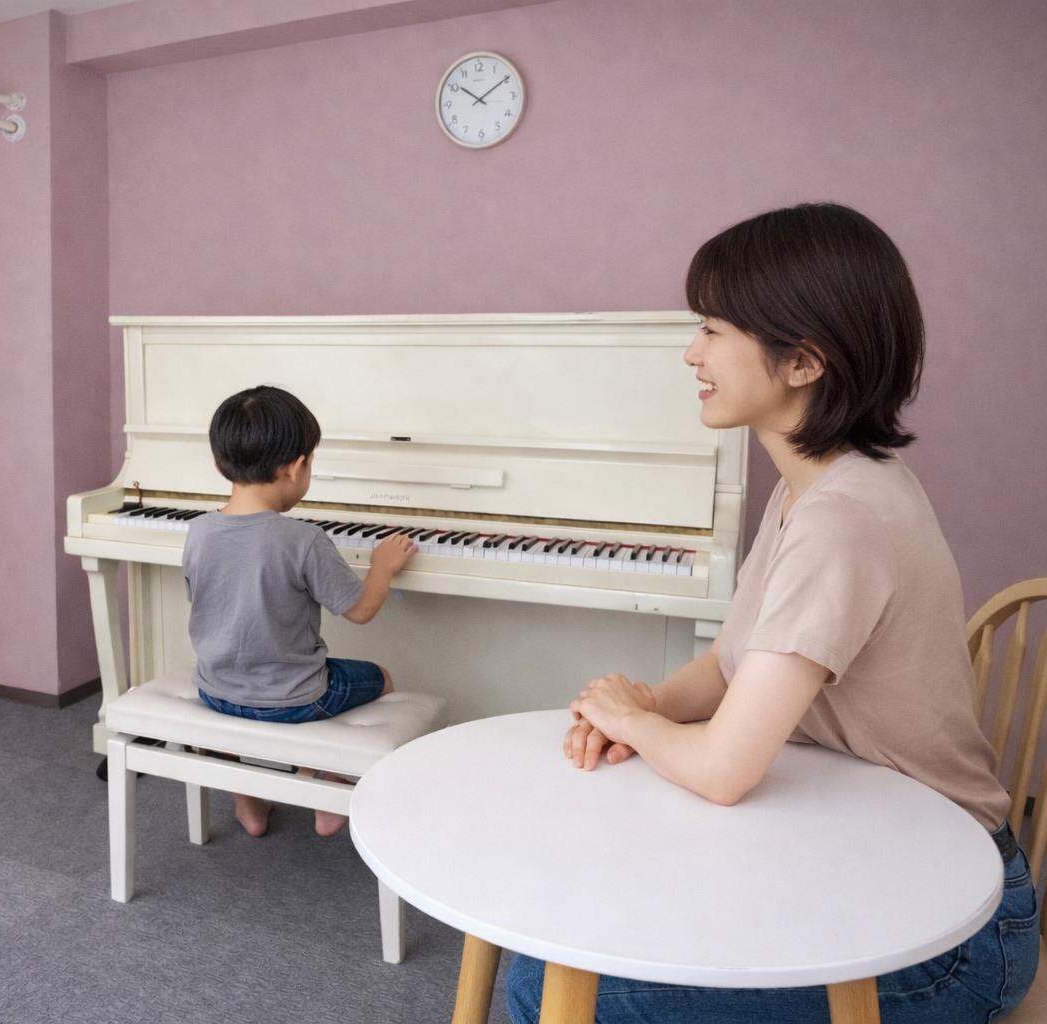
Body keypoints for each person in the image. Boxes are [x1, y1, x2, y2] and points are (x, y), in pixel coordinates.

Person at [507, 203, 1039, 1024]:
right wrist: (638, 711)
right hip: (861, 849)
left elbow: (724, 772)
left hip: (950, 929)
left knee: (544, 987)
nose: (693, 353)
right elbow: (727, 667)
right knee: (569, 932)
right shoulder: (814, 486)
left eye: (713, 330)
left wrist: (635, 722)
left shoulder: (843, 517)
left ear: (802, 360)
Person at [183, 385, 417, 838]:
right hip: (296, 699)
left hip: (216, 690)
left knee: (243, 694)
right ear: (297, 467)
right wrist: (381, 566)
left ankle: (247, 803)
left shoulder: (197, 532)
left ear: (219, 465)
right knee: (382, 677)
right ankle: (331, 790)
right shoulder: (303, 540)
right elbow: (362, 610)